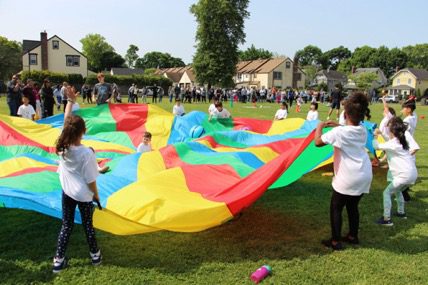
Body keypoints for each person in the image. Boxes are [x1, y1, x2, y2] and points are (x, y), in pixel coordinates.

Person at [52, 86, 101, 273]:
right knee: (88, 225)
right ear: (83, 131)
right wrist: (96, 196)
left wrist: (70, 101)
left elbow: (66, 122)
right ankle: (95, 256)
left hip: (67, 191)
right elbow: (90, 180)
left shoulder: (63, 146)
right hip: (84, 194)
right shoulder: (86, 153)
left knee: (67, 225)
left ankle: (58, 260)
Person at [314, 92, 373, 250]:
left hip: (348, 176)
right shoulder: (362, 129)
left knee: (336, 207)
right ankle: (353, 236)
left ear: (345, 114)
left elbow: (318, 142)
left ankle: (335, 241)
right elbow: (349, 130)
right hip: (364, 174)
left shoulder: (339, 133)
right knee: (353, 206)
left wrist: (320, 126)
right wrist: (337, 125)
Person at [373, 117, 419, 226]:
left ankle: (386, 219)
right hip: (412, 174)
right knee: (397, 191)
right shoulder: (400, 141)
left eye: (388, 129)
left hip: (404, 175)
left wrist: (374, 136)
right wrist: (380, 135)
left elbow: (376, 146)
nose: (387, 130)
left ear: (392, 132)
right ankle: (401, 213)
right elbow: (389, 143)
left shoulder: (394, 143)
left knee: (387, 193)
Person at [401, 101, 417, 201]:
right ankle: (405, 189)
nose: (402, 110)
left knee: (404, 170)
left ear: (409, 110)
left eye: (404, 108)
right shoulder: (414, 116)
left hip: (407, 146)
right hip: (410, 145)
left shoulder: (407, 120)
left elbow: (401, 132)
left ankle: (405, 195)